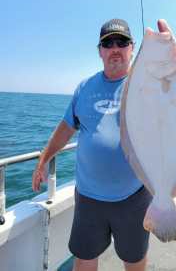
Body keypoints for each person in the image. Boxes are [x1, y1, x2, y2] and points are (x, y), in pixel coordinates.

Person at [32, 18, 153, 271]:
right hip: (88, 198)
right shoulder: (84, 88)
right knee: (84, 260)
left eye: (122, 42)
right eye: (108, 43)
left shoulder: (149, 86)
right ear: (100, 51)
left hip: (134, 196)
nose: (115, 48)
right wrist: (43, 159)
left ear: (132, 48)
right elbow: (66, 127)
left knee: (134, 261)